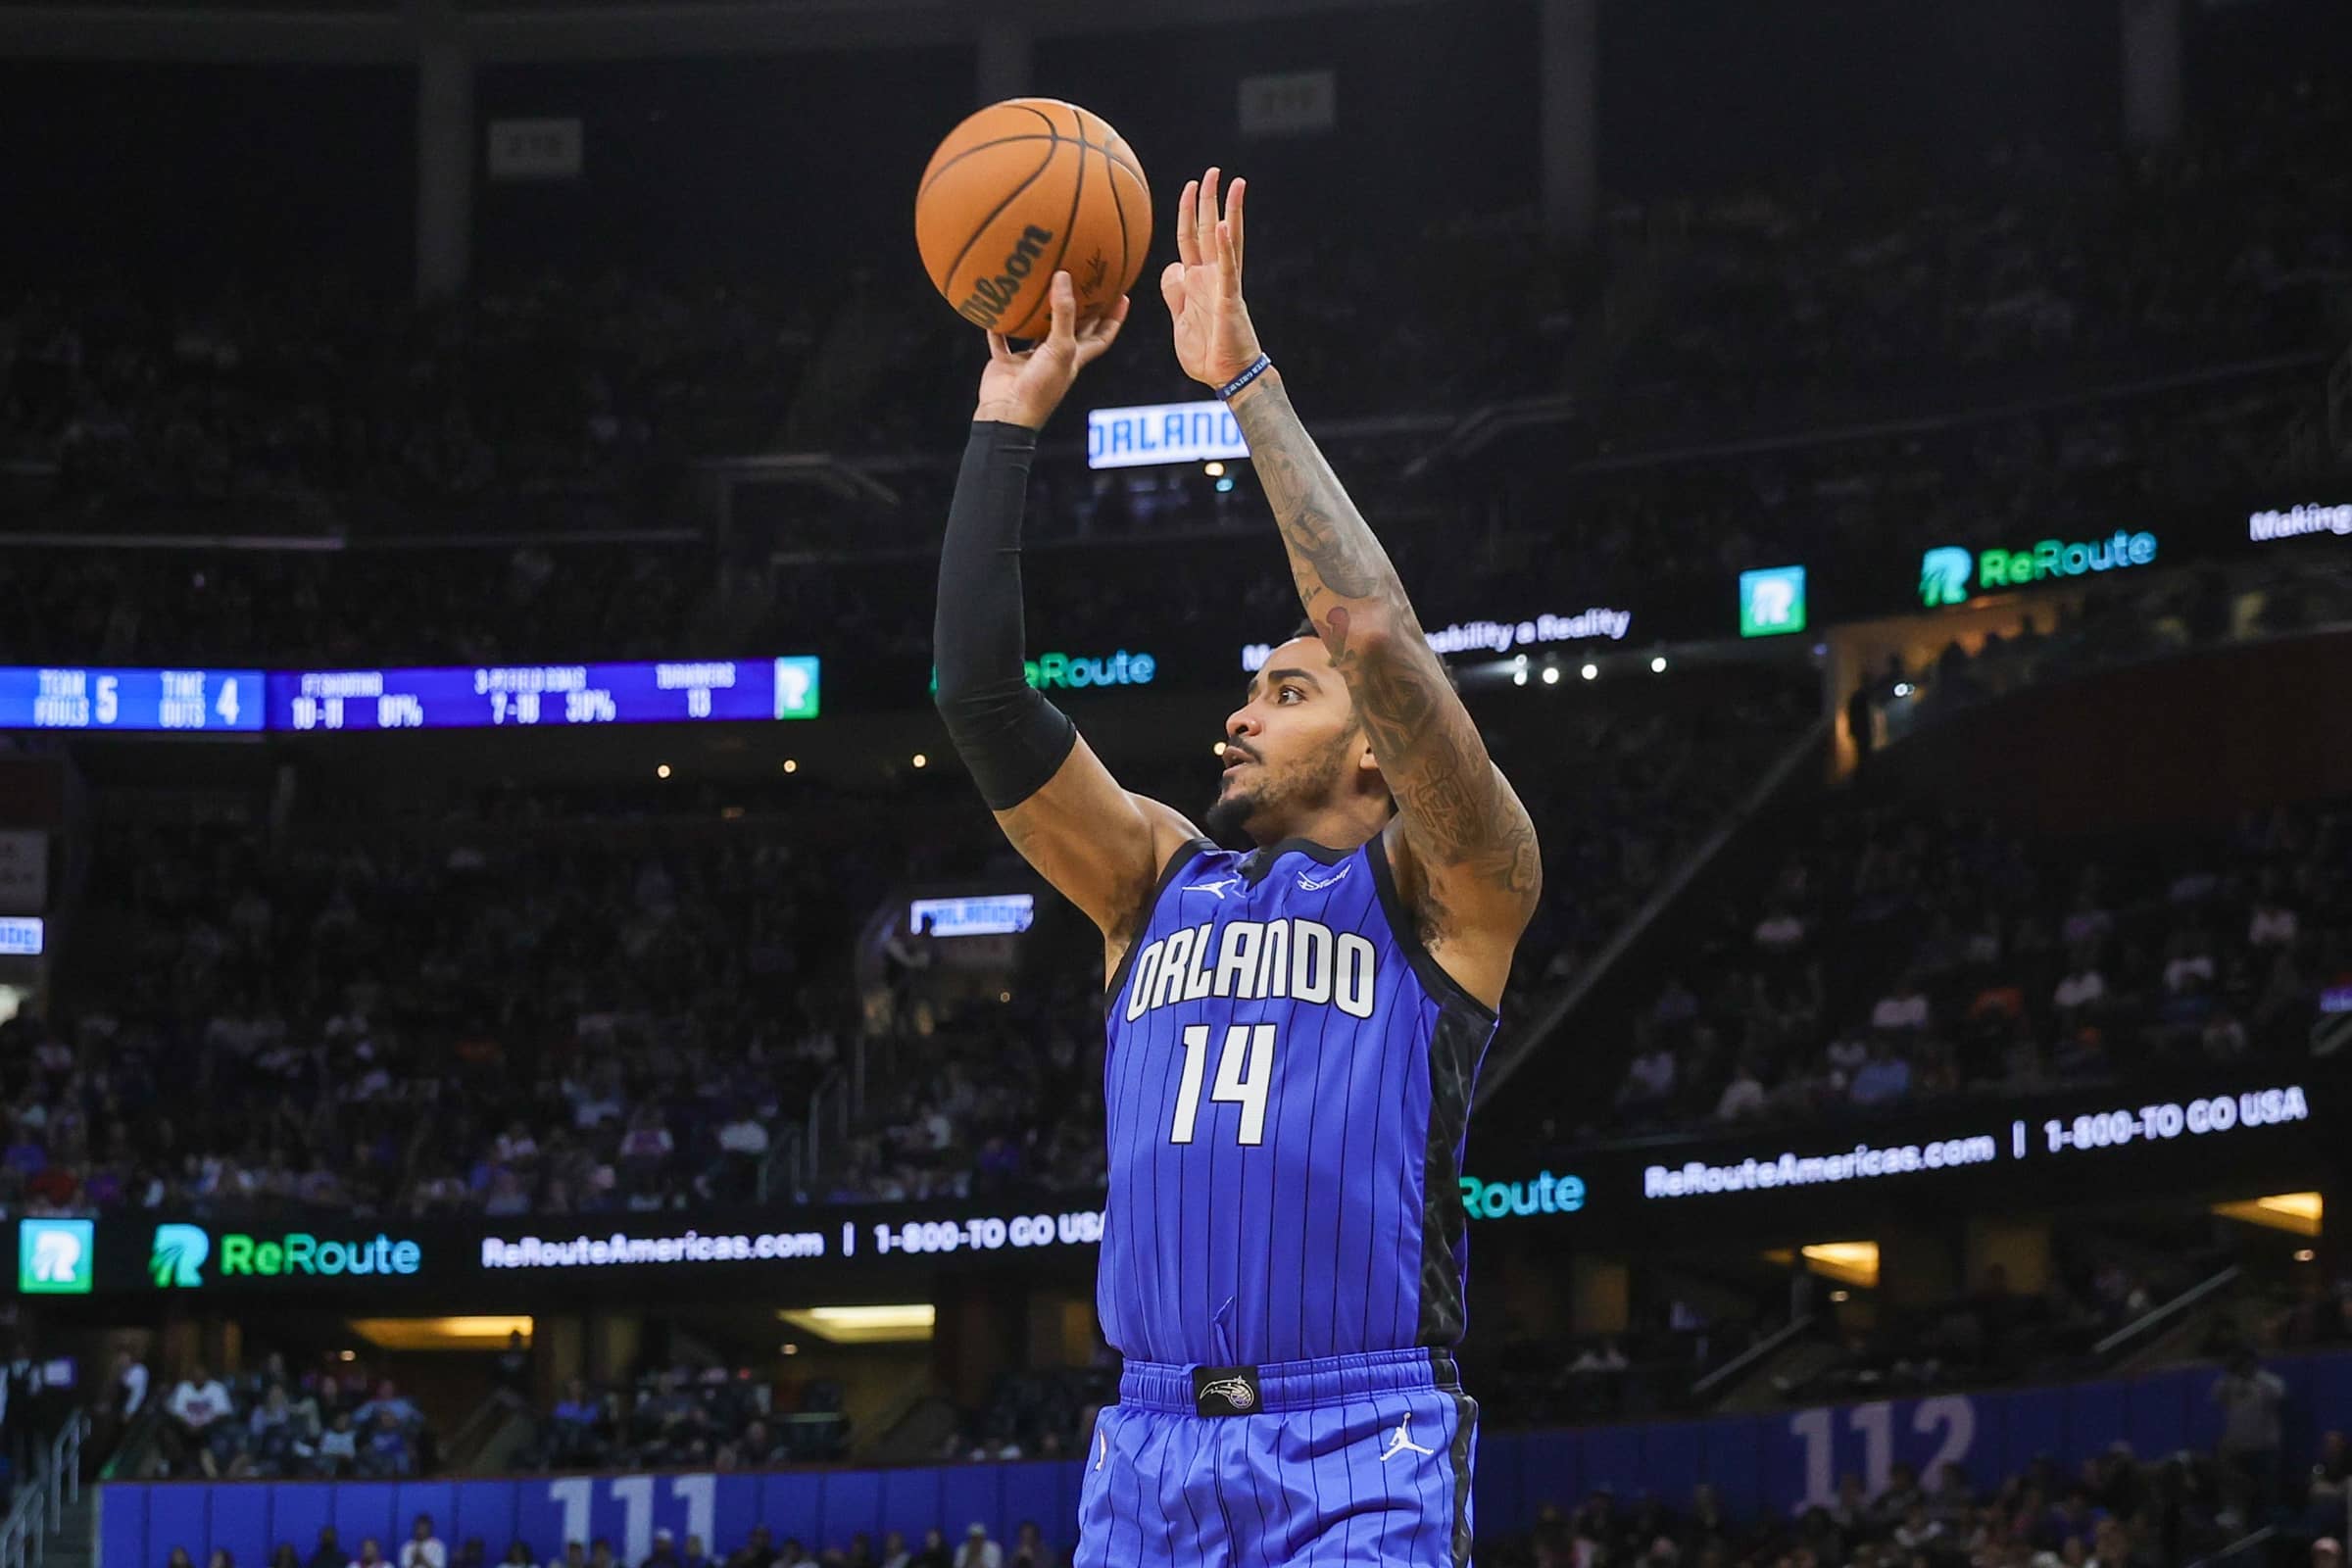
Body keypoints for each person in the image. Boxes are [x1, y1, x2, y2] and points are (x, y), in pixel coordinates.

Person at [932, 168, 1538, 1568]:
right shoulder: (1153, 879)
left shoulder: (1448, 890)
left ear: (1376, 752)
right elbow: (978, 698)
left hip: (1362, 1439)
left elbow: (1373, 630)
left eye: (1283, 690)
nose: (1240, 712)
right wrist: (1003, 425)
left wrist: (1243, 380)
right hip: (1147, 1447)